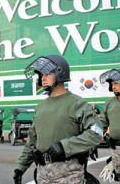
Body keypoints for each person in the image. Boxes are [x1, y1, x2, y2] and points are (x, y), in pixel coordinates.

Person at [13, 55, 102, 184]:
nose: (42, 78)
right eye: (40, 74)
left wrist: (65, 146)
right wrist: (20, 167)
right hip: (42, 174)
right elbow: (32, 140)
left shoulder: (77, 103)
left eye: (47, 74)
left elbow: (96, 132)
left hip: (69, 174)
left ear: (60, 73)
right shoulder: (40, 107)